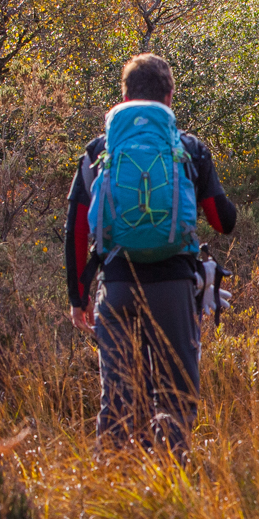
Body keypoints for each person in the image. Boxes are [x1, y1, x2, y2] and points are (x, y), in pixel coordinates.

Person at [64, 53, 237, 452]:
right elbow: (221, 220)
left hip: (118, 284)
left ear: (123, 97)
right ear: (170, 97)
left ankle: (113, 484)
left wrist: (78, 297)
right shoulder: (189, 149)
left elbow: (75, 229)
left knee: (119, 397)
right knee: (176, 392)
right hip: (173, 287)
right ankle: (170, 480)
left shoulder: (97, 151)